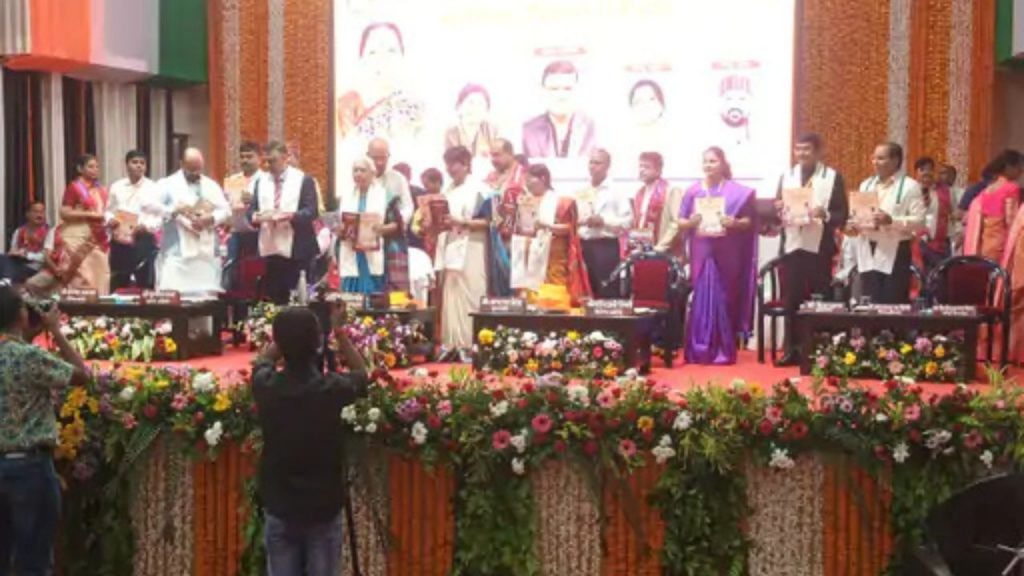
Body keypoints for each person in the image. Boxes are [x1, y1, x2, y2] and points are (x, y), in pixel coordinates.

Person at [251, 306, 367, 576]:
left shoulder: (267, 386)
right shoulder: (332, 389)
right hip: (323, 507)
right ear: (318, 343)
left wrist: (279, 344)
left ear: (279, 344)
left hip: (281, 505)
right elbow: (362, 375)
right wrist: (340, 333)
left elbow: (260, 364)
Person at [0, 286, 89, 574]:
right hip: (30, 469)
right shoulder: (28, 357)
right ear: (21, 315)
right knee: (34, 561)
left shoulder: (18, 354)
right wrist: (56, 330)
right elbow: (81, 375)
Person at [676, 147, 757, 365]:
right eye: (705, 161)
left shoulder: (737, 192)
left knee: (724, 297)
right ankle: (698, 350)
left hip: (727, 252)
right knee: (701, 298)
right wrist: (691, 222)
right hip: (702, 250)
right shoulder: (693, 191)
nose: (708, 165)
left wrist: (735, 223)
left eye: (713, 161)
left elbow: (748, 221)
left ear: (723, 163)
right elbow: (680, 221)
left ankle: (723, 350)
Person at [773, 133, 848, 366]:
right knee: (792, 299)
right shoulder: (787, 176)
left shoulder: (832, 177)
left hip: (819, 247)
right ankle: (792, 349)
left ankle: (820, 351)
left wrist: (824, 214)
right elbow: (778, 211)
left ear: (818, 152)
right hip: (793, 244)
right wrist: (779, 209)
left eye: (806, 149)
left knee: (820, 298)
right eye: (798, 149)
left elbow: (842, 214)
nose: (801, 154)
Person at [434, 146, 506, 361]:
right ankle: (451, 343)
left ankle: (470, 344)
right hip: (451, 244)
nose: (450, 169)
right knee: (451, 293)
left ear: (466, 164)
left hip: (473, 246)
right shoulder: (447, 191)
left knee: (472, 291)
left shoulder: (482, 190)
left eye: (454, 164)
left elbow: (490, 222)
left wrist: (462, 222)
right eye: (447, 164)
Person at [846, 142, 927, 304]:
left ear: (895, 161)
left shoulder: (909, 186)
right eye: (874, 158)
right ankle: (871, 330)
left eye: (881, 158)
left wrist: (892, 221)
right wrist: (854, 223)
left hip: (895, 249)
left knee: (892, 301)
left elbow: (920, 221)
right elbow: (859, 213)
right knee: (869, 300)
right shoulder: (866, 184)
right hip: (867, 248)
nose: (875, 162)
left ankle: (892, 330)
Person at [336, 21, 423, 158]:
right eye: (373, 52)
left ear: (403, 57)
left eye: (391, 50)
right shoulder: (344, 108)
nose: (383, 59)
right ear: (361, 61)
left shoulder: (416, 109)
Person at [509, 163, 590, 307]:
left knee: (555, 298)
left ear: (543, 178)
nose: (526, 184)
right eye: (525, 180)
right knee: (531, 297)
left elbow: (570, 229)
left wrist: (547, 226)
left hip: (554, 258)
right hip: (531, 255)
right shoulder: (525, 201)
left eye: (530, 179)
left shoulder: (561, 202)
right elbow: (523, 229)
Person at [250, 141, 320, 304]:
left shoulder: (303, 179)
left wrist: (289, 216)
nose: (269, 165)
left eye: (273, 160)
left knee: (299, 296)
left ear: (285, 158)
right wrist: (257, 217)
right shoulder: (261, 182)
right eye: (266, 161)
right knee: (276, 296)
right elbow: (251, 211)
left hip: (297, 247)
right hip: (272, 247)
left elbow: (311, 211)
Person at [154, 148, 230, 294]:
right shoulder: (167, 184)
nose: (195, 174)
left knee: (205, 301)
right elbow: (148, 205)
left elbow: (226, 210)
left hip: (205, 253)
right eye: (191, 170)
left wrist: (211, 218)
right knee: (175, 299)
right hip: (177, 253)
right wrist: (173, 210)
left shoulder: (211, 185)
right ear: (182, 164)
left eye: (198, 170)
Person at [337, 157, 402, 295]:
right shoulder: (346, 196)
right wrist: (340, 230)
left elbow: (397, 225)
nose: (358, 174)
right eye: (355, 170)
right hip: (351, 250)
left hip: (373, 251)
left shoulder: (385, 195)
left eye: (362, 170)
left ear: (372, 173)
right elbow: (340, 223)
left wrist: (381, 229)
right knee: (350, 295)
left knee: (373, 295)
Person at [577, 149, 632, 297]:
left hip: (605, 246)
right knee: (585, 291)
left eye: (598, 163)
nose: (593, 166)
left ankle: (607, 320)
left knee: (606, 290)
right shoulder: (582, 189)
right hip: (583, 245)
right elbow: (575, 216)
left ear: (607, 165)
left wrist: (604, 222)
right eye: (591, 162)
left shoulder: (616, 190)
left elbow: (627, 222)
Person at [107, 150, 161, 291]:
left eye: (142, 163)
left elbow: (160, 216)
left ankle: (146, 312)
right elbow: (108, 210)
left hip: (142, 238)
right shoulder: (117, 186)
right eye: (135, 162)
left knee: (145, 282)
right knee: (118, 281)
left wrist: (146, 226)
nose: (139, 166)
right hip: (120, 239)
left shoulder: (153, 187)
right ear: (126, 165)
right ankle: (117, 313)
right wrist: (110, 220)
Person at [59, 154, 112, 294]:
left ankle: (98, 313)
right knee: (81, 277)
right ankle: (77, 313)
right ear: (80, 169)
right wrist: (89, 215)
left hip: (99, 239)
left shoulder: (101, 189)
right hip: (79, 238)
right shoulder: (75, 187)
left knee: (100, 276)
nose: (95, 169)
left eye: (97, 167)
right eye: (90, 166)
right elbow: (64, 212)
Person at [521, 60, 597, 158]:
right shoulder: (528, 130)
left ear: (578, 91)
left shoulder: (591, 128)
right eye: (554, 89)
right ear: (543, 91)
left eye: (567, 89)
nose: (561, 96)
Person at [963, 149, 1023, 261]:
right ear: (1008, 167)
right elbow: (1012, 221)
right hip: (1001, 246)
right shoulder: (1011, 188)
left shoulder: (988, 189)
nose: (1021, 171)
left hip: (985, 246)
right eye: (1019, 167)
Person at [223, 141, 264, 290]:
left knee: (255, 270)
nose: (245, 160)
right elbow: (226, 205)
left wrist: (254, 201)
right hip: (236, 232)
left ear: (260, 158)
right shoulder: (232, 180)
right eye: (242, 157)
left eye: (249, 156)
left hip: (258, 232)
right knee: (233, 270)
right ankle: (234, 305)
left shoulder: (266, 180)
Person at [914, 156, 954, 275]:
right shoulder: (910, 190)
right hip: (918, 242)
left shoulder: (945, 191)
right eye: (922, 169)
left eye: (930, 169)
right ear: (916, 172)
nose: (927, 173)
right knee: (920, 276)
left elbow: (953, 213)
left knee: (940, 276)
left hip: (941, 242)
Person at [484, 139, 527, 240]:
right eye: (491, 155)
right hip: (493, 237)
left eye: (497, 155)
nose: (493, 159)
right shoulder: (491, 176)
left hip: (515, 238)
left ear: (510, 154)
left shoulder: (524, 174)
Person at [444, 84, 499, 159]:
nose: (475, 108)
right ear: (459, 107)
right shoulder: (449, 132)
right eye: (471, 103)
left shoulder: (492, 130)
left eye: (480, 104)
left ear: (486, 110)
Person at [0, 203, 49, 285]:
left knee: (8, 267)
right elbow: (13, 249)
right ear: (27, 214)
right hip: (18, 263)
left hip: (35, 267)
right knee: (2, 258)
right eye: (36, 212)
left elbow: (47, 256)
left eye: (42, 212)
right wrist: (14, 253)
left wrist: (27, 255)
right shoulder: (19, 231)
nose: (39, 215)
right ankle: (6, 281)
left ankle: (6, 282)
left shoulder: (49, 232)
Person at [631, 152, 669, 249]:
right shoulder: (639, 193)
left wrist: (662, 246)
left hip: (663, 248)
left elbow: (675, 225)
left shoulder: (669, 191)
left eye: (647, 167)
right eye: (640, 166)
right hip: (642, 247)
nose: (642, 170)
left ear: (658, 170)